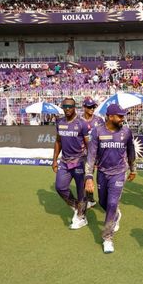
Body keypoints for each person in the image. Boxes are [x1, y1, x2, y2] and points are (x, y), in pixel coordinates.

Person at [84, 104, 137, 253]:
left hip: (119, 172)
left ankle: (107, 238)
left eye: (123, 116)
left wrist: (133, 169)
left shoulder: (126, 132)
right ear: (110, 116)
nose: (122, 118)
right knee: (103, 202)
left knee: (112, 203)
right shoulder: (97, 131)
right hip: (102, 172)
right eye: (120, 116)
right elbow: (91, 156)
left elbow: (131, 152)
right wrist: (89, 177)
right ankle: (116, 215)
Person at [52, 97, 89, 230]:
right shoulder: (60, 122)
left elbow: (88, 144)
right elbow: (58, 142)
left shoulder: (82, 123)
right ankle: (76, 207)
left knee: (81, 192)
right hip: (64, 161)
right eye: (65, 107)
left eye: (69, 107)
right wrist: (54, 160)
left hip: (79, 161)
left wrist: (91, 162)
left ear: (74, 107)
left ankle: (81, 217)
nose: (67, 109)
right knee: (60, 187)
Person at [80, 96, 105, 208]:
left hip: (96, 153)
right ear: (84, 107)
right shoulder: (79, 121)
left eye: (93, 107)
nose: (92, 108)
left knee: (99, 176)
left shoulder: (99, 120)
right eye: (89, 107)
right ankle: (88, 199)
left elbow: (103, 135)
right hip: (83, 153)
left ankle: (96, 198)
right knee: (85, 175)